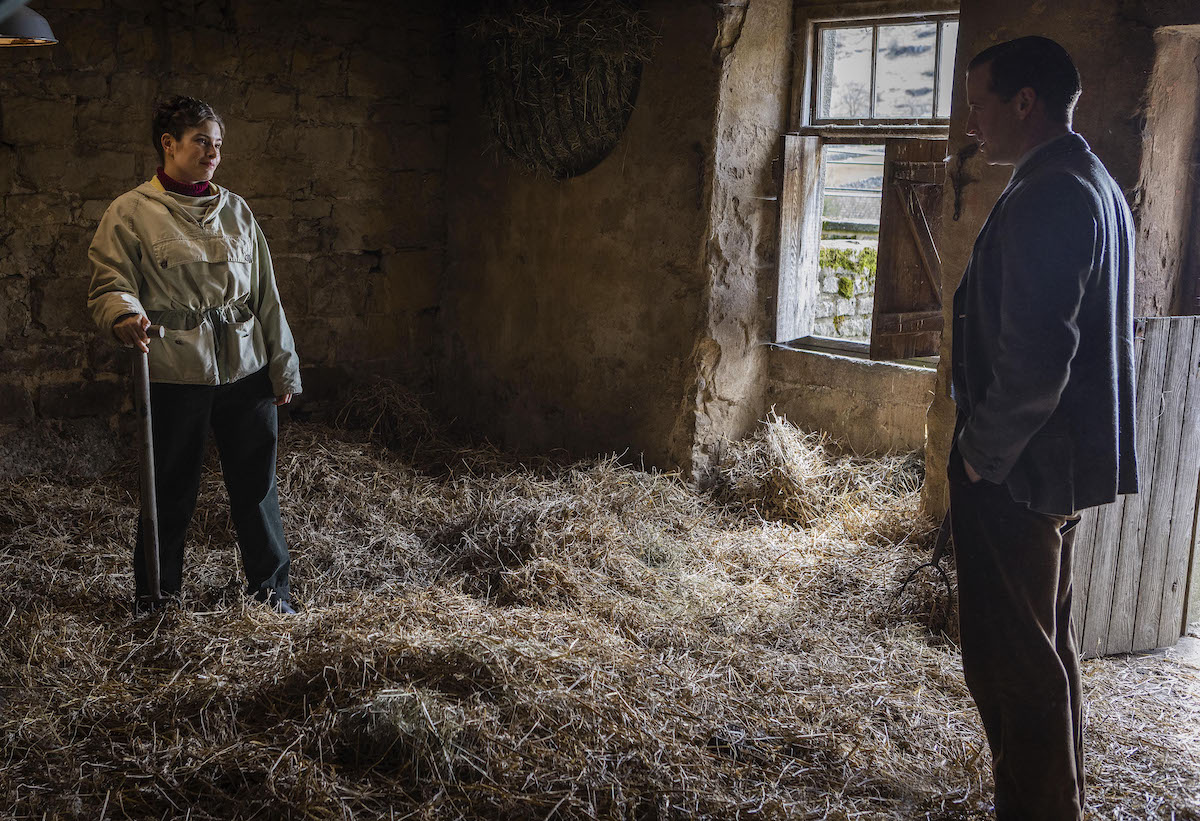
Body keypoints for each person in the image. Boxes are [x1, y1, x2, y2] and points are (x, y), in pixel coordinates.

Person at [950, 37, 1138, 820]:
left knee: (1012, 666)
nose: (973, 122)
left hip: (1021, 471)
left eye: (982, 101)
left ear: (1025, 102)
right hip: (1047, 469)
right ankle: (1056, 802)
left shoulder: (1054, 193)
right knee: (1045, 652)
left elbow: (1039, 353)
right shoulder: (1089, 179)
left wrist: (980, 459)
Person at [87, 95, 303, 615]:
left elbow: (265, 295)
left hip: (245, 371)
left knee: (256, 489)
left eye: (218, 144)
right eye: (202, 141)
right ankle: (157, 599)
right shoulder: (132, 212)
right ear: (169, 143)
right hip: (174, 372)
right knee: (169, 491)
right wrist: (123, 316)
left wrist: (283, 365)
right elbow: (110, 283)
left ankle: (272, 597)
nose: (213, 153)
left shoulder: (237, 210)